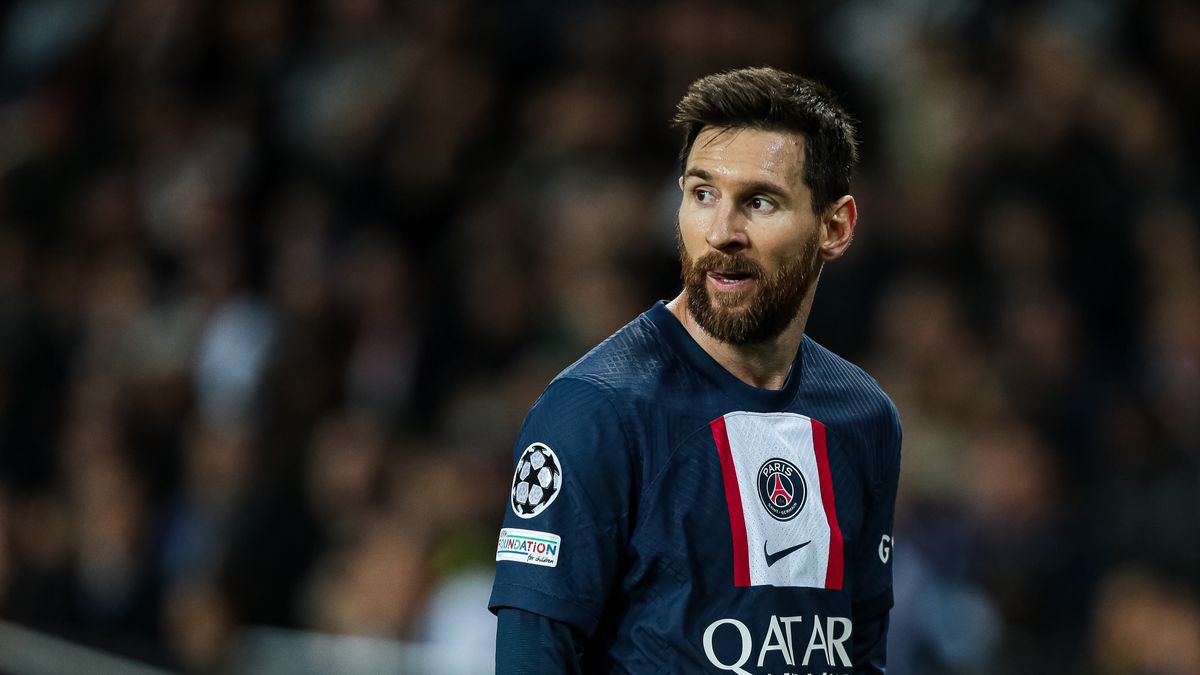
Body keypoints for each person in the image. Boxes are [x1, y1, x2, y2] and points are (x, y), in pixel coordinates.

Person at [489, 66, 901, 674]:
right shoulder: (595, 409)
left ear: (834, 227)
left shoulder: (864, 416)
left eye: (759, 202)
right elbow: (532, 658)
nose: (721, 232)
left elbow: (859, 655)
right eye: (702, 194)